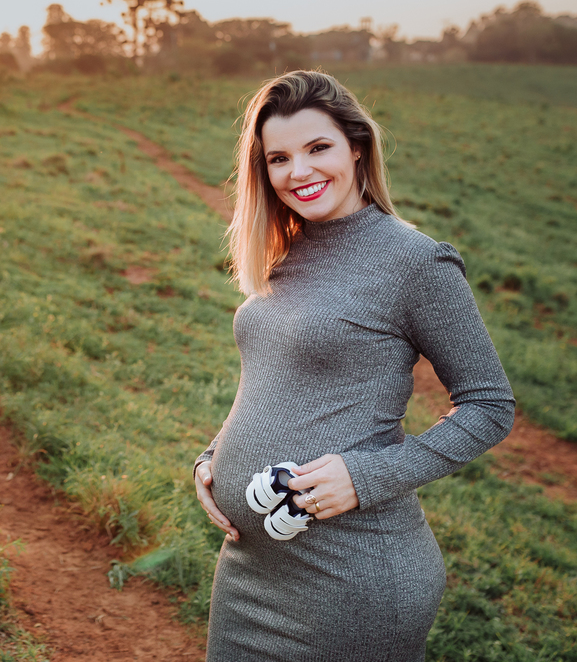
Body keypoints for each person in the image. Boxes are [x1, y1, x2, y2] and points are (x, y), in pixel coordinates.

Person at [192, 70, 514, 661]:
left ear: (357, 146)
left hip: (352, 578)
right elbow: (273, 377)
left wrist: (364, 478)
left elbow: (490, 406)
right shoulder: (285, 252)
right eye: (279, 158)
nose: (299, 171)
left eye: (318, 148)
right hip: (250, 570)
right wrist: (215, 459)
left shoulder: (415, 262)